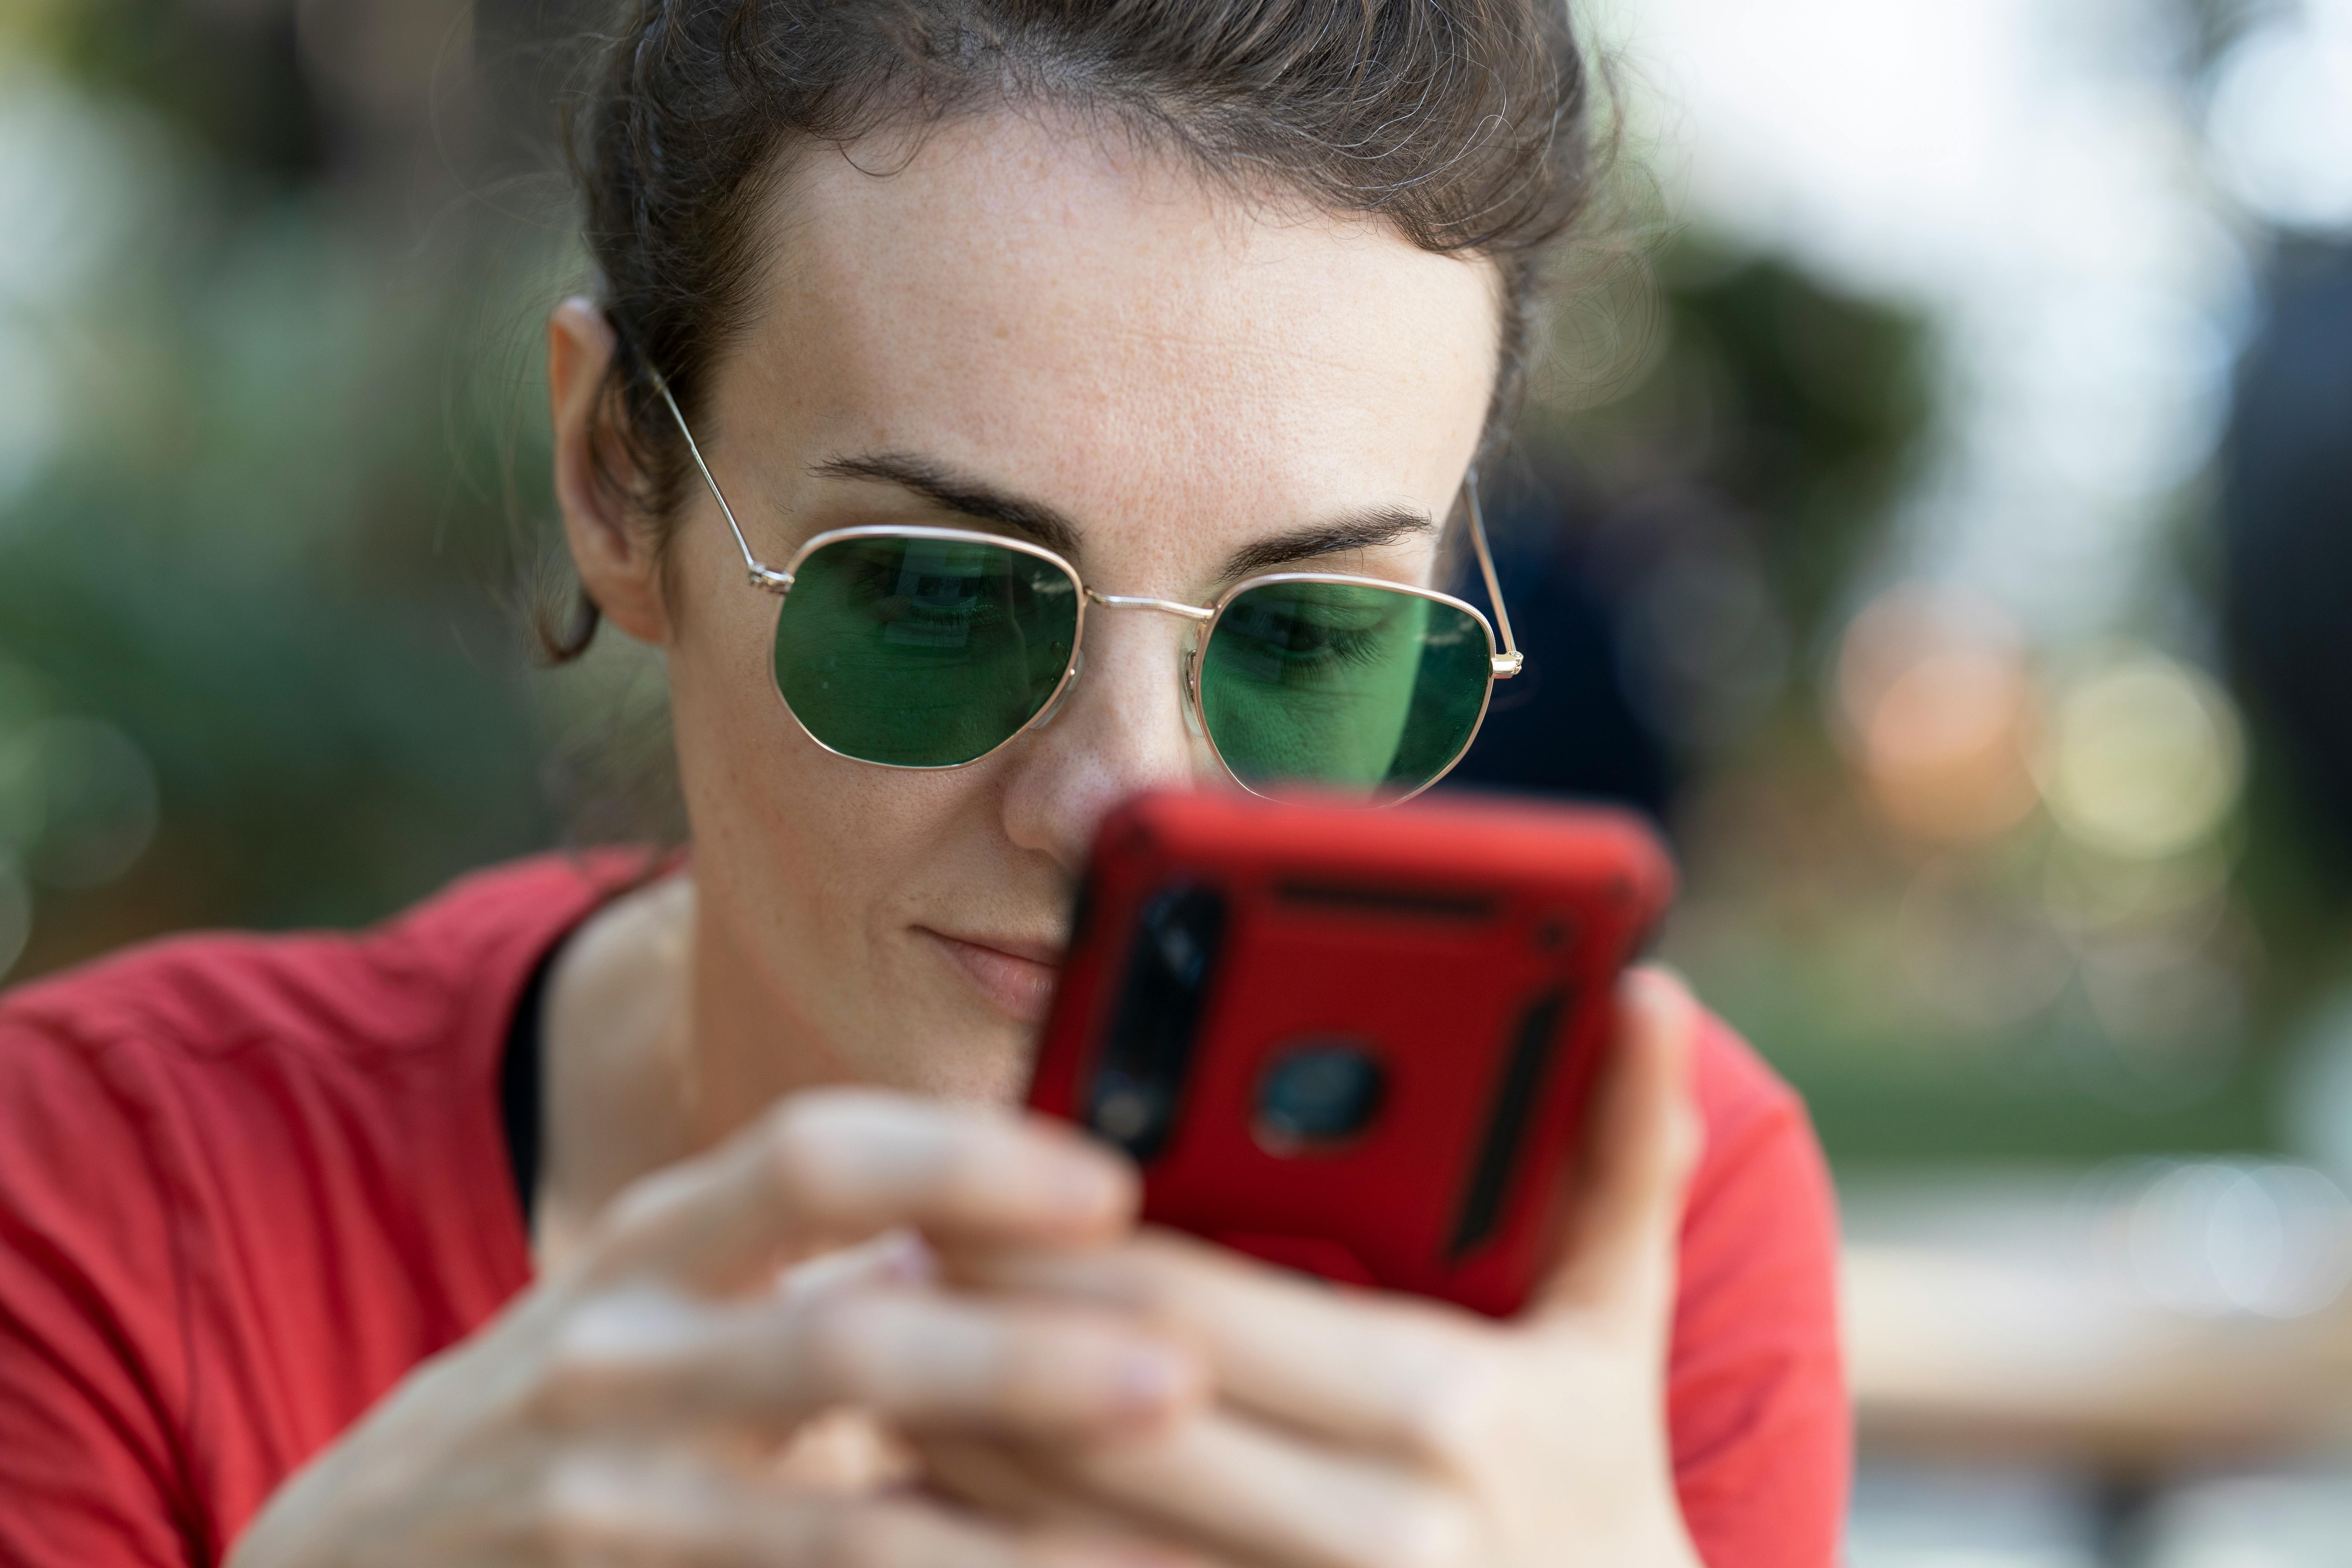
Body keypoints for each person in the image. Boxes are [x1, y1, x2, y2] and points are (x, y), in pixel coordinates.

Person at [0, 4, 1846, 1564]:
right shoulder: (110, 1210)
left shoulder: (1616, 1240)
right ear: (616, 478)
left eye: (1307, 641)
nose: (1120, 807)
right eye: (939, 598)